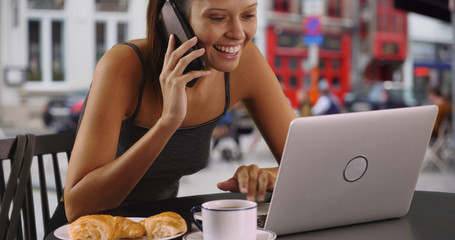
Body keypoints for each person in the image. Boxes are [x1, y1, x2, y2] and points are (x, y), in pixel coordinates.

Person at [62, 0, 296, 223]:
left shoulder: (246, 62)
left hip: (163, 226)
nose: (238, 32)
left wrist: (274, 176)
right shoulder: (123, 66)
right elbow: (78, 208)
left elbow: (307, 165)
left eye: (248, 15)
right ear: (172, 17)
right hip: (91, 229)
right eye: (217, 18)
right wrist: (168, 122)